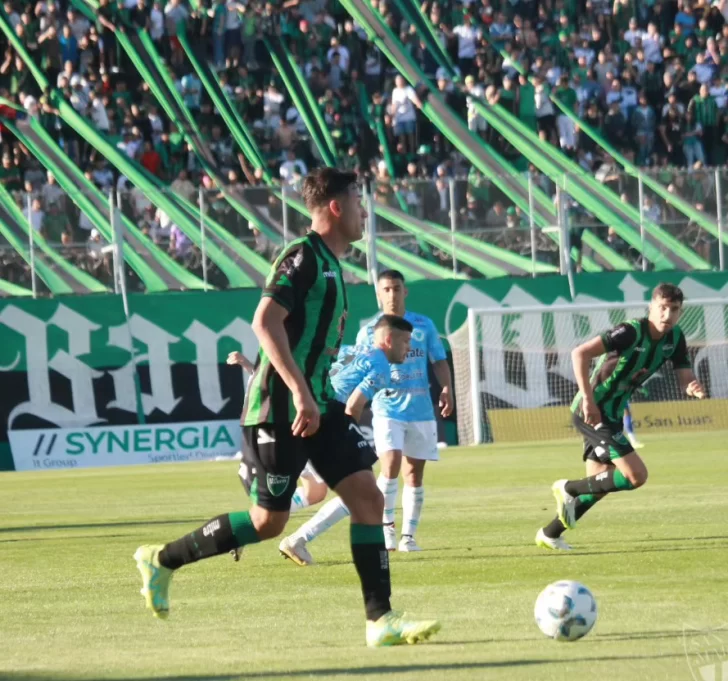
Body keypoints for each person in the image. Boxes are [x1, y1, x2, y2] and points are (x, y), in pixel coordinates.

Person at [133, 168, 441, 647]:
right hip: (281, 407)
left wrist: (317, 395)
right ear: (336, 207)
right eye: (358, 202)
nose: (364, 212)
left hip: (321, 404)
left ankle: (380, 621)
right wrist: (298, 390)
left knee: (368, 498)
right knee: (267, 522)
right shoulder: (303, 257)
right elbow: (264, 321)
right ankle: (162, 560)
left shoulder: (335, 264)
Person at [536, 283, 706, 551]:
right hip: (593, 411)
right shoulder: (630, 331)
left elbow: (685, 373)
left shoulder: (675, 338)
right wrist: (589, 400)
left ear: (680, 312)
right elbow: (580, 353)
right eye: (662, 308)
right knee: (636, 476)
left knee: (599, 485)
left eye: (674, 310)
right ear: (651, 307)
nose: (667, 315)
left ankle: (550, 533)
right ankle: (568, 488)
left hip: (612, 414)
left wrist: (692, 385)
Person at [278, 315, 414, 566]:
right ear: (388, 339)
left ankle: (246, 528)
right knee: (362, 490)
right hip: (325, 420)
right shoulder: (382, 367)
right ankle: (298, 540)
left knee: (314, 491)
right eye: (405, 341)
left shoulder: (354, 349)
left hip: (302, 411)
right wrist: (344, 439)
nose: (409, 348)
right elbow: (354, 406)